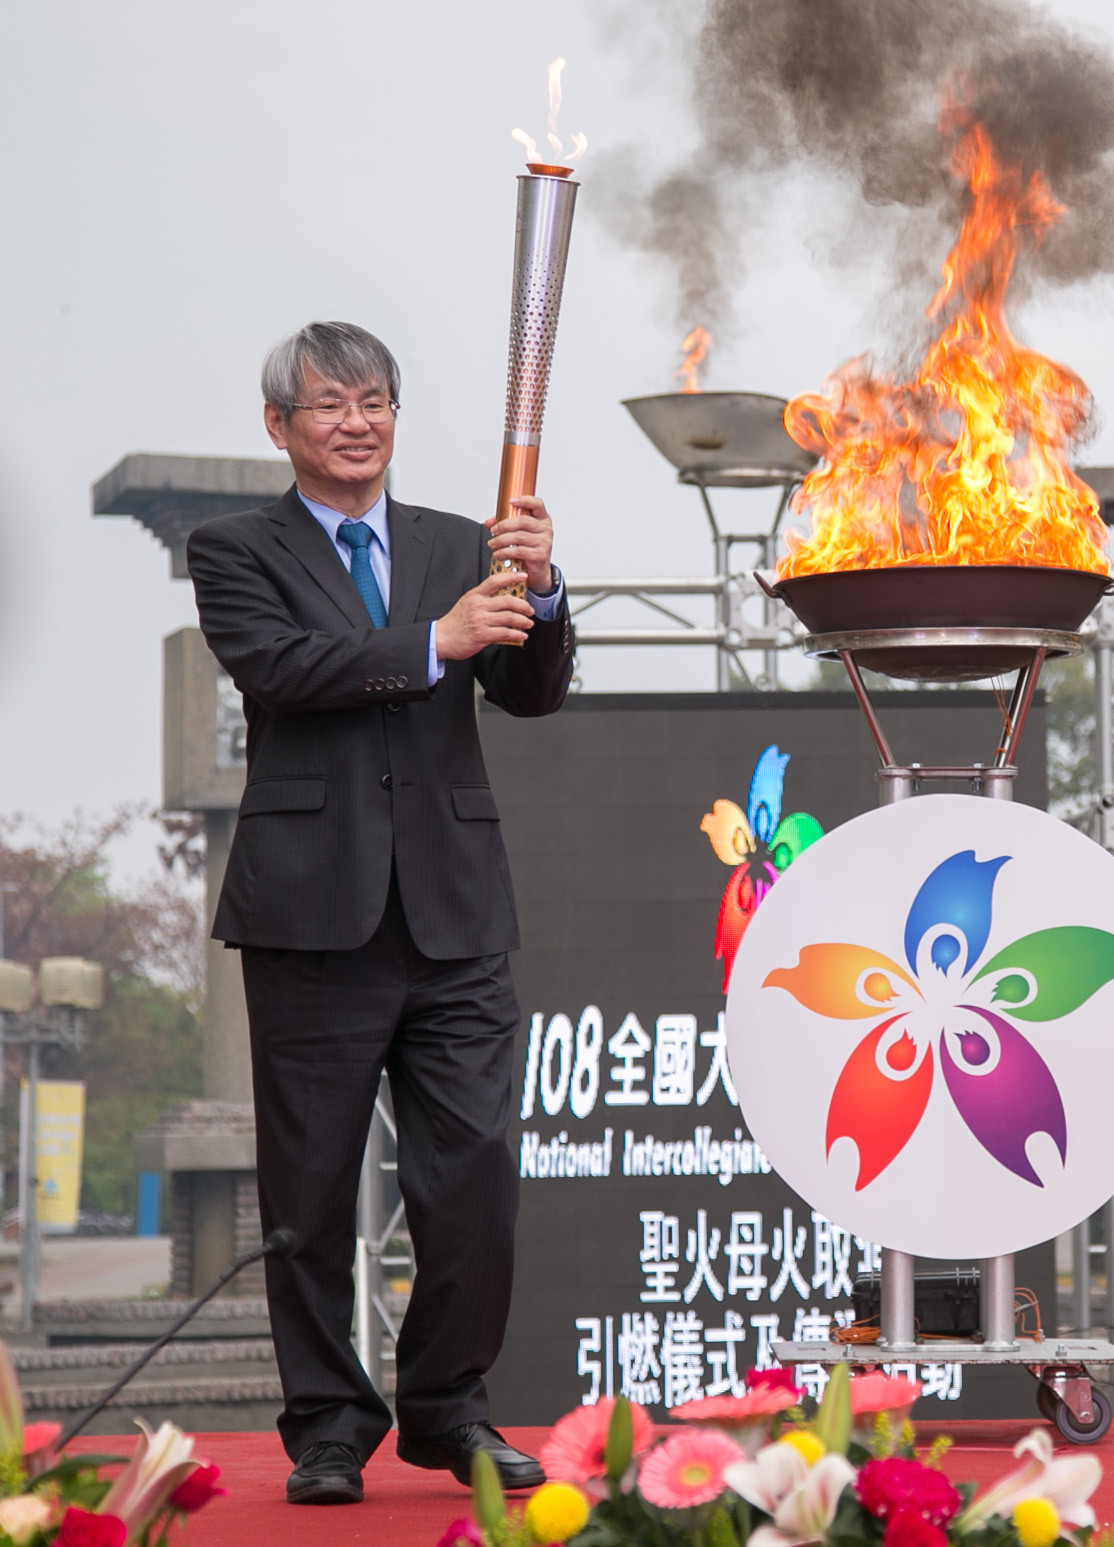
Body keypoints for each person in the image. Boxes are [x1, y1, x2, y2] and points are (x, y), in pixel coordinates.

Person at [187, 321, 574, 1505]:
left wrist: (544, 591)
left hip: (454, 918)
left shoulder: (465, 541)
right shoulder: (233, 548)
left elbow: (531, 690)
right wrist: (432, 639)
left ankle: (449, 1406)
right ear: (280, 427)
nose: (356, 422)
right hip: (313, 914)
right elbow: (283, 669)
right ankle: (327, 1426)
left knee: (474, 1179)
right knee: (306, 1194)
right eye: (329, 404)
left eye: (375, 401)